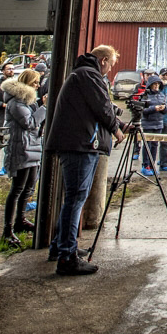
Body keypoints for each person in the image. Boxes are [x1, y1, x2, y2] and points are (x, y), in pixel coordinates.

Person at [46, 43, 125, 276]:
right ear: (102, 60)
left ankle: (60, 247)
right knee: (75, 199)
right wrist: (116, 129)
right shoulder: (89, 75)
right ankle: (67, 257)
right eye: (110, 65)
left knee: (73, 199)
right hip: (79, 146)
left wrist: (119, 124)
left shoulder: (82, 75)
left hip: (78, 143)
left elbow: (97, 108)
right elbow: (101, 106)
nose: (109, 70)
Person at [0, 68, 44, 247]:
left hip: (31, 148)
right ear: (27, 84)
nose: (38, 85)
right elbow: (30, 123)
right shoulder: (17, 103)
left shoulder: (27, 103)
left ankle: (20, 220)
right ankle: (8, 229)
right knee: (17, 189)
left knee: (28, 189)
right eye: (35, 83)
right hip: (21, 149)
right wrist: (45, 108)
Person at [139, 73, 167, 177]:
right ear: (150, 85)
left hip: (159, 124)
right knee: (147, 145)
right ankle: (145, 165)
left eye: (158, 84)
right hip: (148, 123)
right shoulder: (145, 96)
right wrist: (154, 108)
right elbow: (143, 110)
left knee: (155, 145)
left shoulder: (162, 95)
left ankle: (152, 165)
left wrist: (163, 108)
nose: (156, 86)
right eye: (154, 84)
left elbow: (165, 110)